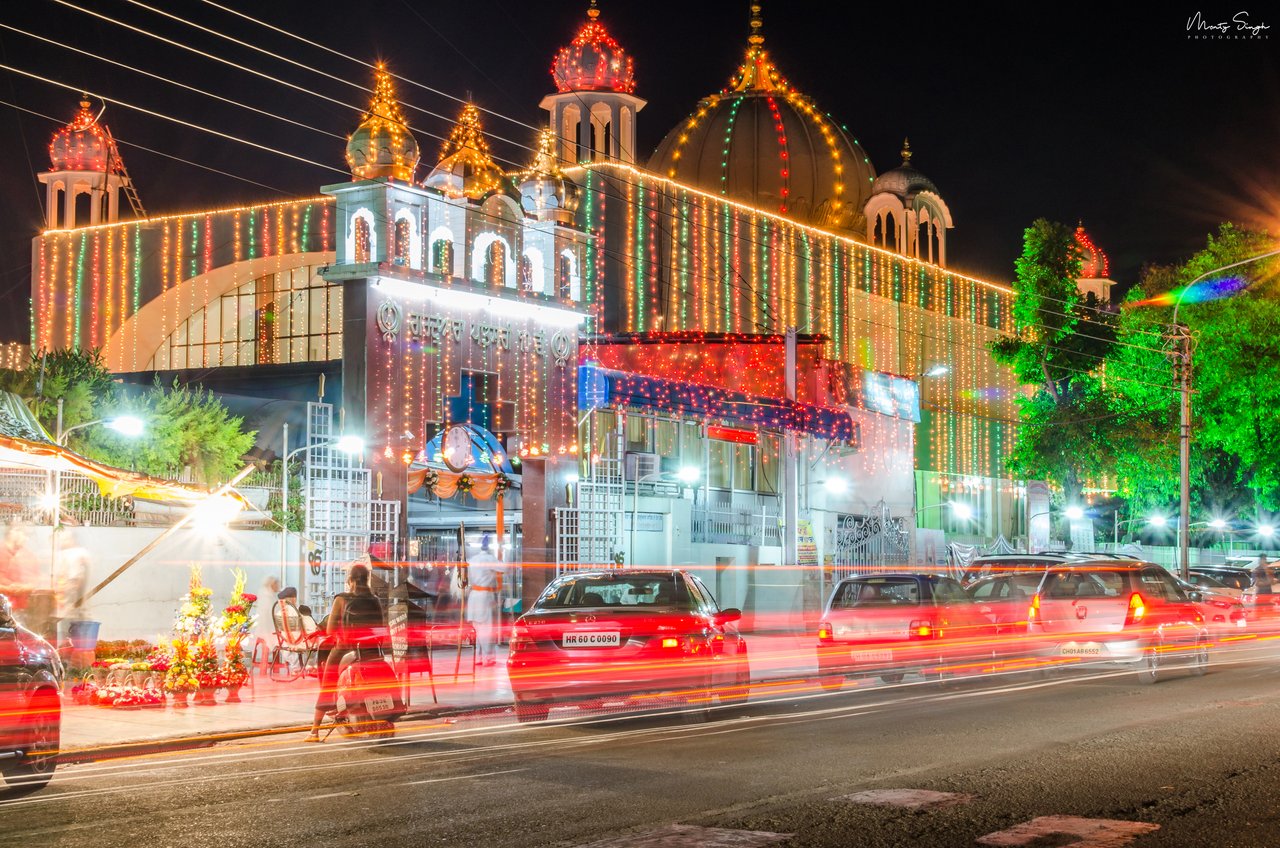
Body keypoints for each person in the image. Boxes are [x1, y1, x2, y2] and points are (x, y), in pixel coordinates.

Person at [305, 564, 384, 742]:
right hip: (371, 651)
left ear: (349, 580)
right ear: (367, 579)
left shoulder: (342, 599)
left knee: (328, 684)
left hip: (345, 649)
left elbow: (331, 629)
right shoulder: (375, 599)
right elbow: (380, 627)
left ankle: (314, 731)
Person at [465, 533, 505, 667]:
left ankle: (478, 657)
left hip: (473, 596)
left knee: (478, 629)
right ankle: (488, 658)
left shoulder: (472, 560)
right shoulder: (489, 559)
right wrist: (501, 552)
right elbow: (504, 568)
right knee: (486, 630)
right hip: (484, 597)